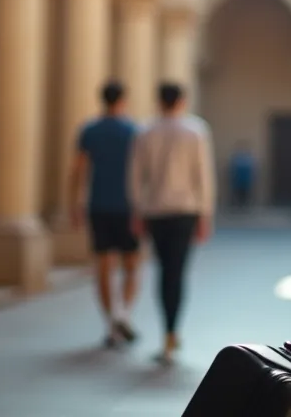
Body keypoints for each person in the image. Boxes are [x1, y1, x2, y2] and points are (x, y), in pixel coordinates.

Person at [128, 82, 216, 366]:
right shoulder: (196, 130)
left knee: (164, 270)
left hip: (156, 212)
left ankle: (168, 331)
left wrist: (137, 211)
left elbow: (135, 175)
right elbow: (203, 175)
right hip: (185, 212)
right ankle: (171, 331)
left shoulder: (145, 131)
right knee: (176, 272)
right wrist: (205, 214)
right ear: (182, 101)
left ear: (159, 101)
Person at [70, 80, 142, 349]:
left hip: (98, 205)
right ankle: (122, 314)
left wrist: (75, 204)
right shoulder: (134, 131)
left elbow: (78, 170)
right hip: (128, 206)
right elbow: (141, 172)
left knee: (103, 265)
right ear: (123, 100)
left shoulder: (89, 130)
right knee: (131, 265)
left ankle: (111, 324)